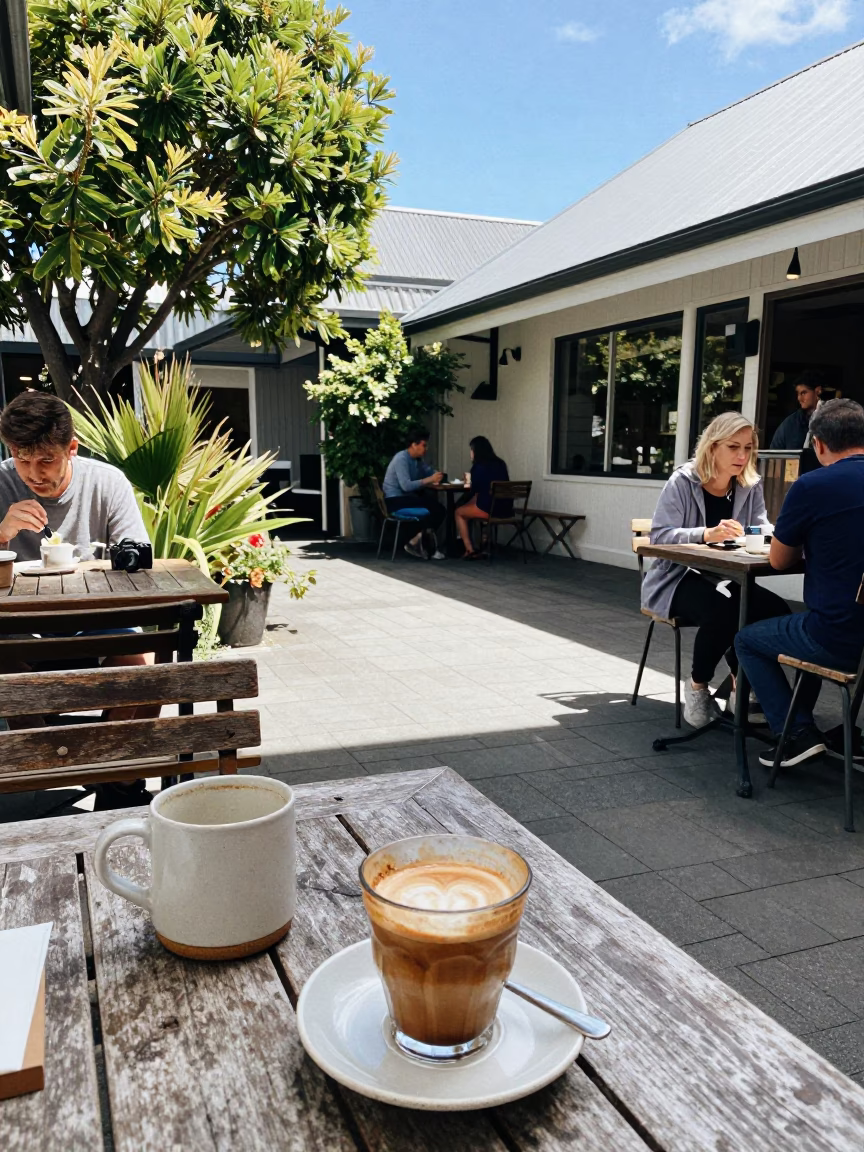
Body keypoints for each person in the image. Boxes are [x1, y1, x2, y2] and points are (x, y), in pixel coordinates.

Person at [0, 391, 155, 808]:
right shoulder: (1, 483)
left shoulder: (106, 482)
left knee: (142, 663)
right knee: (4, 662)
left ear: (72, 448)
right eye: (21, 459)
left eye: (45, 460)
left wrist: (119, 557)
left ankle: (116, 780)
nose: (33, 473)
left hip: (99, 619)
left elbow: (138, 556)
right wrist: (1, 534)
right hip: (21, 627)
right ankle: (52, 762)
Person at [736, 398, 864, 768]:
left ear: (818, 444)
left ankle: (795, 734)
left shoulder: (812, 486)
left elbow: (779, 560)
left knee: (747, 640)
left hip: (838, 638)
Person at [642, 412, 789, 728]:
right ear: (712, 447)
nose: (742, 456)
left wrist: (775, 534)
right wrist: (705, 533)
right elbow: (660, 536)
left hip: (728, 577)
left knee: (774, 610)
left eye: (748, 448)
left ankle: (741, 685)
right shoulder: (683, 481)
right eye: (733, 447)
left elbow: (760, 526)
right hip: (677, 577)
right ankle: (698, 687)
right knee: (726, 610)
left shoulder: (749, 484)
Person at [382, 427, 446, 560]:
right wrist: (429, 480)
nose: (426, 449)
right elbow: (405, 486)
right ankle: (418, 543)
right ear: (414, 445)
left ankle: (419, 541)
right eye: (424, 445)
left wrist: (437, 475)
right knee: (436, 509)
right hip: (395, 500)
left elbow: (428, 471)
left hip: (406, 498)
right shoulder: (401, 459)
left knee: (436, 507)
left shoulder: (417, 460)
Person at [454, 435, 510, 559]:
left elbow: (473, 489)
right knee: (470, 504)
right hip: (505, 509)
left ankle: (469, 549)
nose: (470, 452)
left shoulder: (478, 467)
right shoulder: (501, 464)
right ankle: (483, 541)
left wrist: (467, 481)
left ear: (476, 451)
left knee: (458, 512)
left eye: (471, 449)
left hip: (489, 509)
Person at [769, 372, 823, 450]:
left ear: (818, 391)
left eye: (804, 393)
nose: (799, 398)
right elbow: (774, 452)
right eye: (798, 393)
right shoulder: (790, 423)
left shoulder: (831, 418)